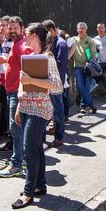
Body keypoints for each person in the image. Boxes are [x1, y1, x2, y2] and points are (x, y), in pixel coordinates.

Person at [10, 23, 63, 209]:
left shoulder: (47, 58)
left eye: (26, 35)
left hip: (40, 110)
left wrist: (31, 80)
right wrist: (18, 107)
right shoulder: (30, 57)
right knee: (37, 149)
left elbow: (57, 86)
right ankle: (40, 186)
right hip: (26, 108)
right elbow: (22, 85)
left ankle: (28, 193)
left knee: (29, 150)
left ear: (34, 36)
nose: (24, 38)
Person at [0, 16, 33, 178]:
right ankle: (20, 160)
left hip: (16, 92)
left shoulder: (22, 45)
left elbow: (28, 67)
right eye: (10, 28)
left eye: (15, 28)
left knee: (16, 127)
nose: (12, 31)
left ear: (22, 28)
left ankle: (17, 164)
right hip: (12, 90)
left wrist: (21, 92)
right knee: (18, 127)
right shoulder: (16, 43)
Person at [43, 19, 68, 148]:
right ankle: (54, 131)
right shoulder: (52, 41)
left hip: (55, 83)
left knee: (58, 111)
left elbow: (60, 65)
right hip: (49, 82)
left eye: (45, 32)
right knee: (51, 110)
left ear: (51, 30)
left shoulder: (61, 44)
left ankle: (59, 137)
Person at [69, 22, 98, 114]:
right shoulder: (73, 39)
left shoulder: (90, 40)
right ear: (77, 29)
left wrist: (92, 64)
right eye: (79, 28)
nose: (81, 30)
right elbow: (65, 38)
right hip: (78, 66)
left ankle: (82, 106)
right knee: (80, 86)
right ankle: (91, 104)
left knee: (86, 87)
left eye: (83, 28)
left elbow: (93, 54)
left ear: (86, 29)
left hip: (88, 67)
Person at [0, 16, 13, 140]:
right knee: (7, 108)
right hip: (3, 78)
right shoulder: (5, 41)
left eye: (3, 25)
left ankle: (13, 140)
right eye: (0, 25)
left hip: (11, 80)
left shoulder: (14, 42)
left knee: (10, 109)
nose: (1, 28)